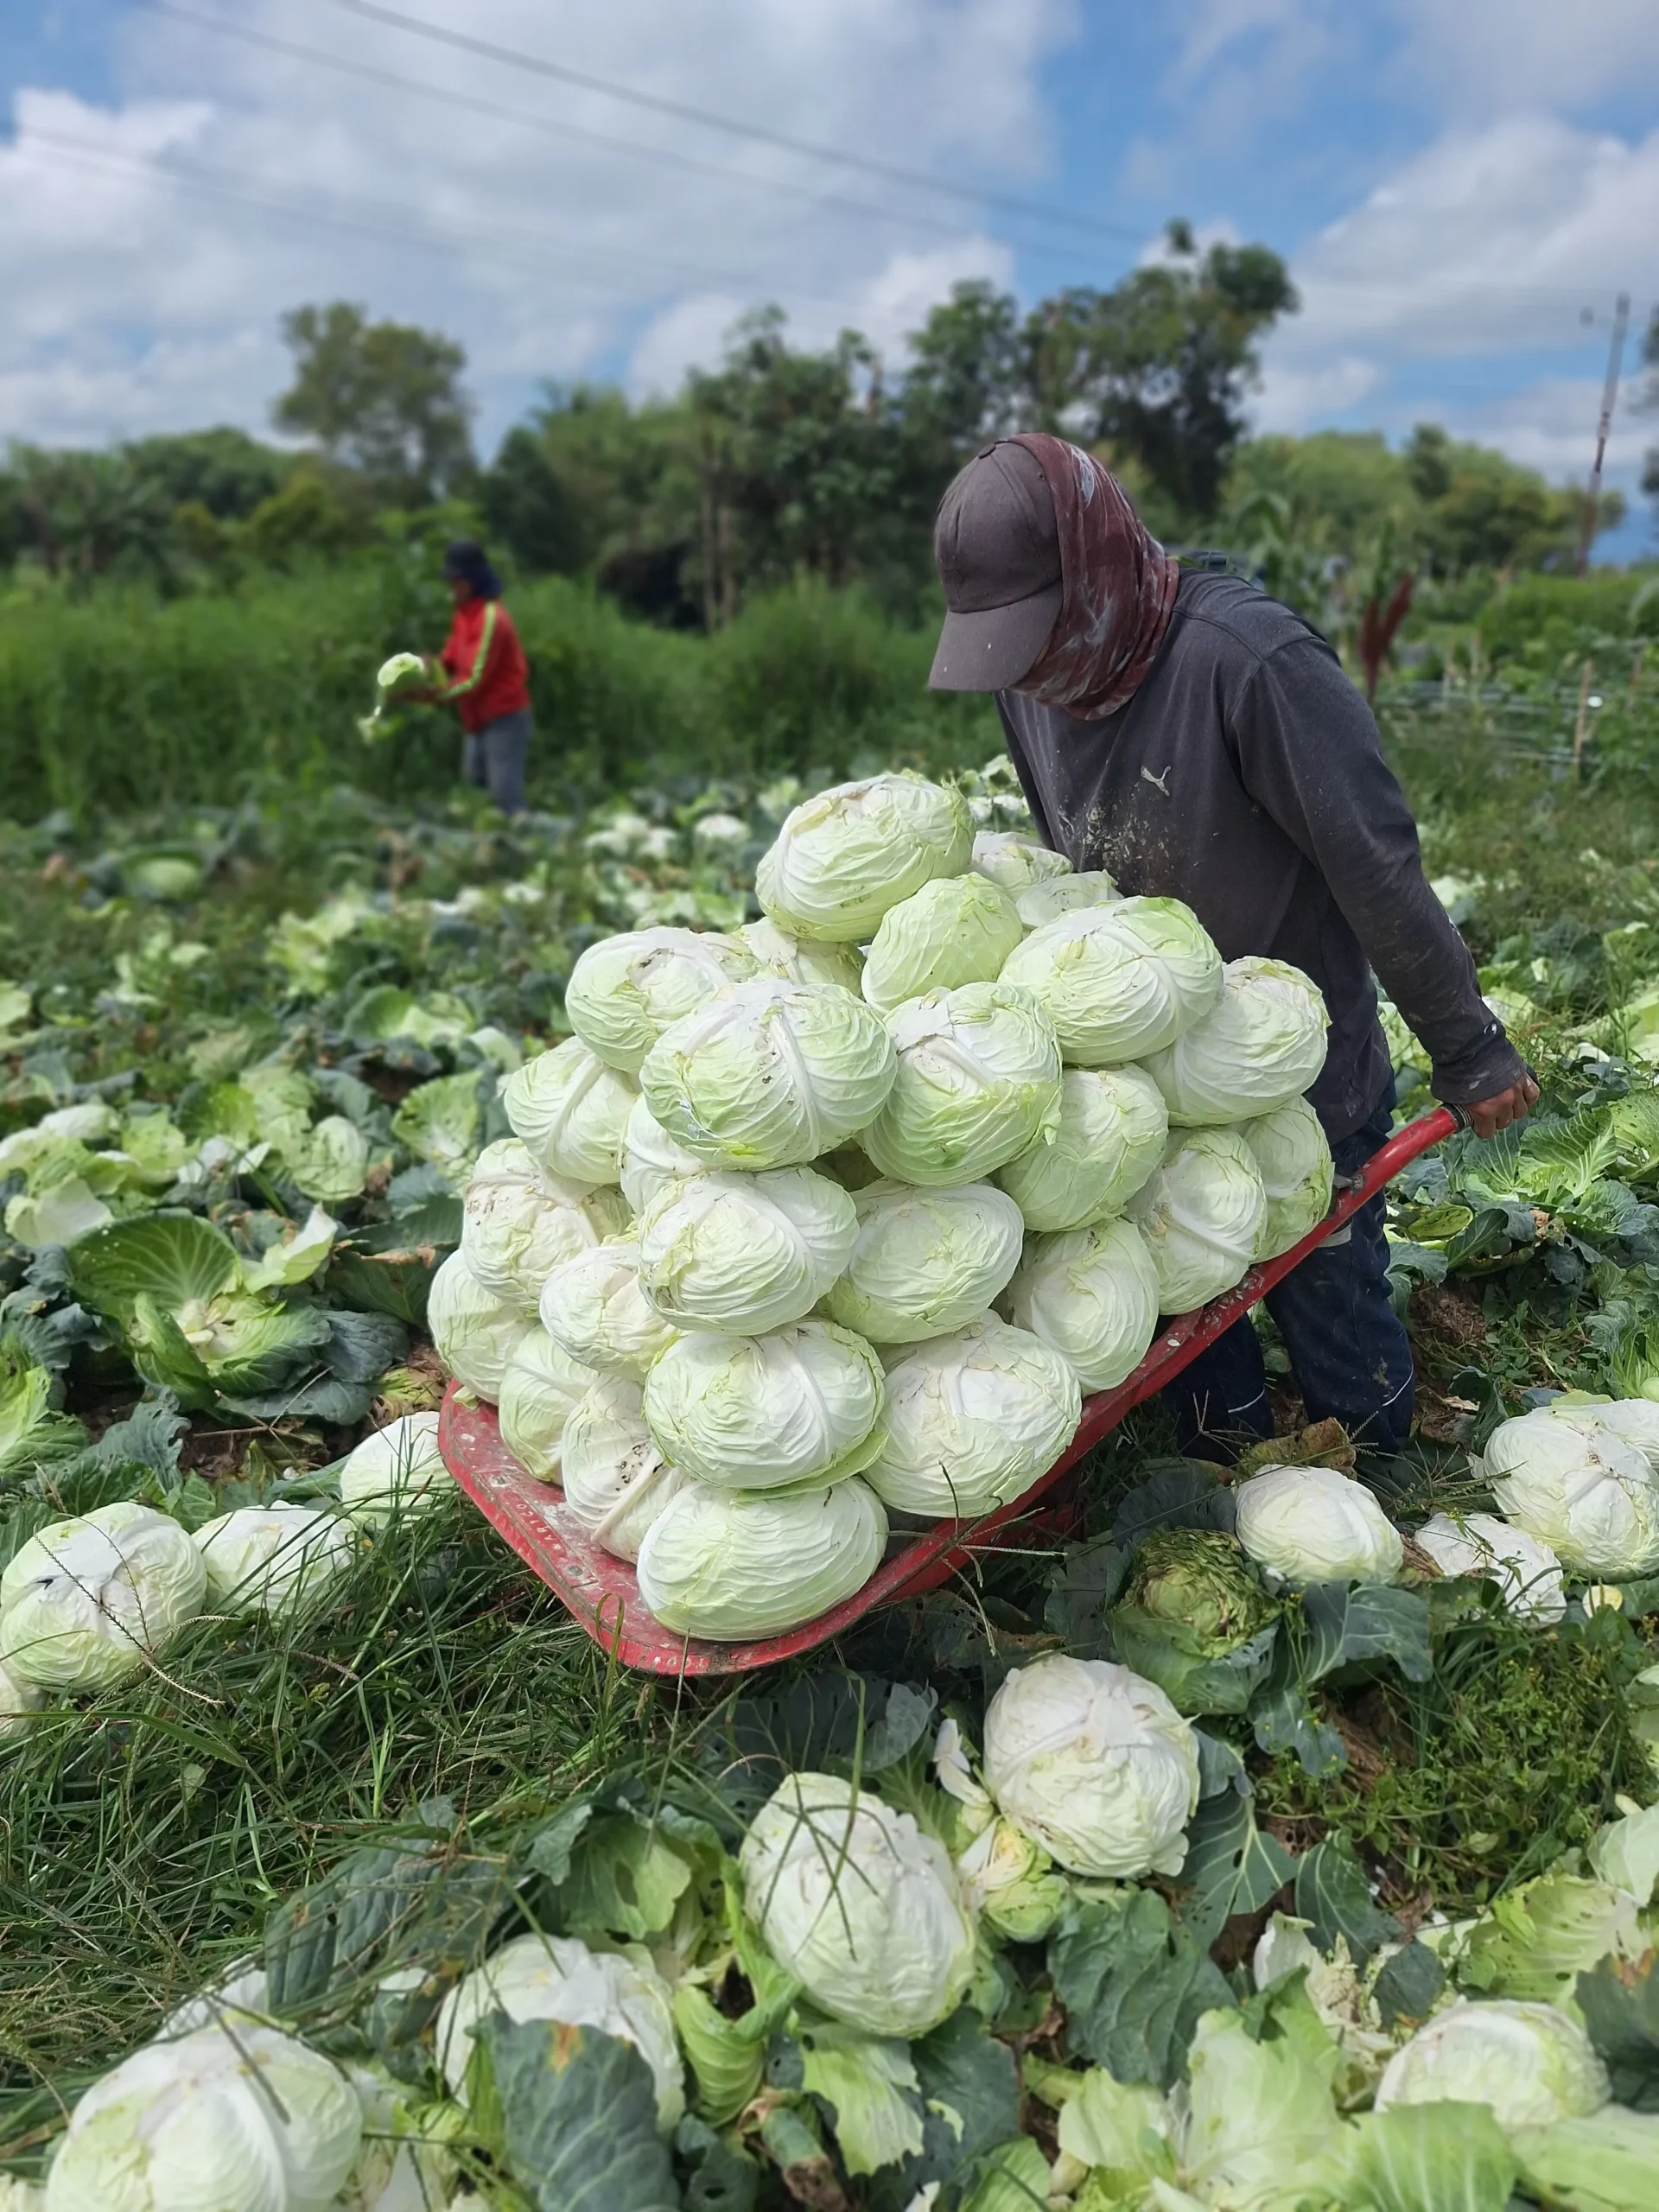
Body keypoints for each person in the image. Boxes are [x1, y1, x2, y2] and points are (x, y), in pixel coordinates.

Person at [929, 435, 1538, 1461]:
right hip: (1148, 1085)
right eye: (1010, 648)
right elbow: (1065, 854)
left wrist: (1468, 1044)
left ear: (1097, 570)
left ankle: (1386, 1474)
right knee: (1188, 1341)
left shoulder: (1249, 664)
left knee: (1333, 1313)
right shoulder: (1029, 675)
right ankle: (1231, 1483)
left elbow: (1374, 862)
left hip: (1294, 1075)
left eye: (1039, 635)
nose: (1032, 672)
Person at [421, 540, 533, 814]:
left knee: (504, 798)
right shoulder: (463, 615)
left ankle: (531, 846)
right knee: (473, 794)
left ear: (471, 581)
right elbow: (451, 659)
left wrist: (435, 696)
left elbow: (473, 679)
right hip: (477, 718)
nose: (452, 588)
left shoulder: (492, 619)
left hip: (504, 717)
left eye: (456, 581)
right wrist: (427, 668)